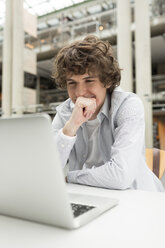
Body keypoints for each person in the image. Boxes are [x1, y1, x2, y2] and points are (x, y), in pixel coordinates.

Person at [52, 35, 164, 192]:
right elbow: (48, 169)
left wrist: (71, 177)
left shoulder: (128, 106)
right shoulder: (65, 112)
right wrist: (71, 126)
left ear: (108, 81)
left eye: (89, 81)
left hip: (136, 196)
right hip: (90, 194)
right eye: (72, 83)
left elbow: (120, 176)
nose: (80, 93)